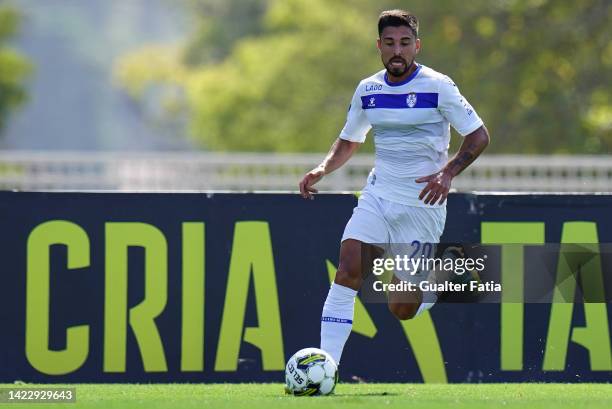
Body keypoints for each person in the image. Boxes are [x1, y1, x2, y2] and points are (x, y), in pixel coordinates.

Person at [298, 9, 490, 365]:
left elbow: (478, 136)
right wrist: (323, 168)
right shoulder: (368, 89)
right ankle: (326, 368)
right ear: (379, 46)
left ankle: (446, 272)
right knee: (348, 268)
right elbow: (349, 139)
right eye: (389, 43)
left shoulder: (438, 86)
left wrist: (447, 173)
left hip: (421, 205)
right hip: (378, 196)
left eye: (404, 43)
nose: (397, 50)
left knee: (400, 307)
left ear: (417, 46)